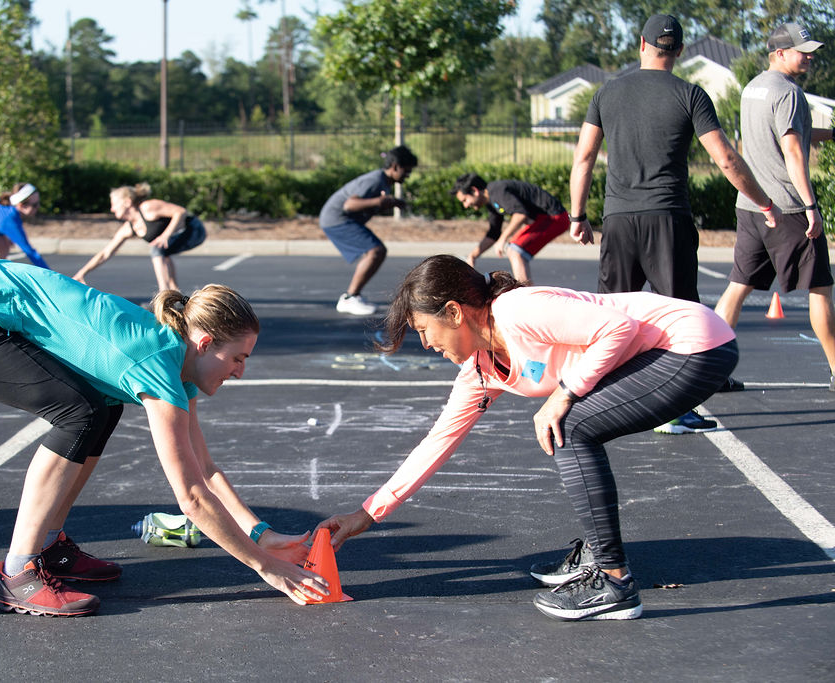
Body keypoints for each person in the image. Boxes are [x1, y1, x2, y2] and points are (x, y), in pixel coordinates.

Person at [317, 255, 738, 621]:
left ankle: (614, 583)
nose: (426, 344)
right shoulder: (481, 367)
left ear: (454, 312)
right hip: (667, 354)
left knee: (570, 425)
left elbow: (618, 328)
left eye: (425, 330)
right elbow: (436, 442)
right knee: (573, 426)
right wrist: (367, 514)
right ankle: (600, 553)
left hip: (693, 345)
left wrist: (564, 393)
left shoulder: (517, 311)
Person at [0, 259, 329, 616]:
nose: (240, 371)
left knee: (100, 409)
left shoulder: (180, 364)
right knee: (78, 413)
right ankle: (18, 572)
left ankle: (49, 547)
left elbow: (205, 468)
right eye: (238, 358)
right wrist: (265, 567)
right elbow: (192, 497)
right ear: (204, 343)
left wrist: (261, 535)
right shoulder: (157, 366)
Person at [569, 13, 780, 432]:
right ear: (680, 52)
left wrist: (578, 215)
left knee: (611, 316)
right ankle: (674, 411)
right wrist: (765, 203)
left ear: (642, 45)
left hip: (619, 220)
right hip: (668, 219)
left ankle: (599, 404)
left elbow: (585, 158)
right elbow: (725, 158)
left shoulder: (607, 93)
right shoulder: (691, 94)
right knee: (680, 318)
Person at [714, 22, 835, 393]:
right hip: (787, 207)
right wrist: (811, 206)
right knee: (820, 290)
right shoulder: (790, 92)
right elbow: (793, 149)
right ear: (779, 53)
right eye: (803, 50)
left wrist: (830, 133)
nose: (810, 56)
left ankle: (711, 371)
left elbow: (788, 131)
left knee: (737, 287)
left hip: (752, 206)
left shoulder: (753, 88)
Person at [319, 145, 418, 315]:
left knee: (375, 251)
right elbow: (349, 204)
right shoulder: (374, 180)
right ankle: (351, 298)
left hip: (339, 219)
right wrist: (379, 202)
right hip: (337, 219)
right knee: (376, 251)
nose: (408, 175)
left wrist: (393, 202)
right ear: (395, 167)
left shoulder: (384, 182)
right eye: (406, 171)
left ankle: (352, 296)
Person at [73, 183, 207, 292]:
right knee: (161, 251)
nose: (112, 209)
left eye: (114, 204)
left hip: (194, 230)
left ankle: (164, 294)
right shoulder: (128, 228)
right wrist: (82, 273)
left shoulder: (148, 208)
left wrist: (165, 235)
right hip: (176, 238)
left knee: (158, 248)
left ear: (127, 202)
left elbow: (180, 211)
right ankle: (176, 295)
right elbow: (105, 253)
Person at [452, 173, 569, 282]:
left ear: (474, 190)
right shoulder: (491, 202)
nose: (466, 205)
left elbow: (520, 214)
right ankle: (526, 292)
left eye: (465, 200)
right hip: (546, 218)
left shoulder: (497, 191)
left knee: (515, 250)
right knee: (515, 250)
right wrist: (473, 256)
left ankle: (526, 295)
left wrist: (503, 239)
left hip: (554, 217)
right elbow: (493, 233)